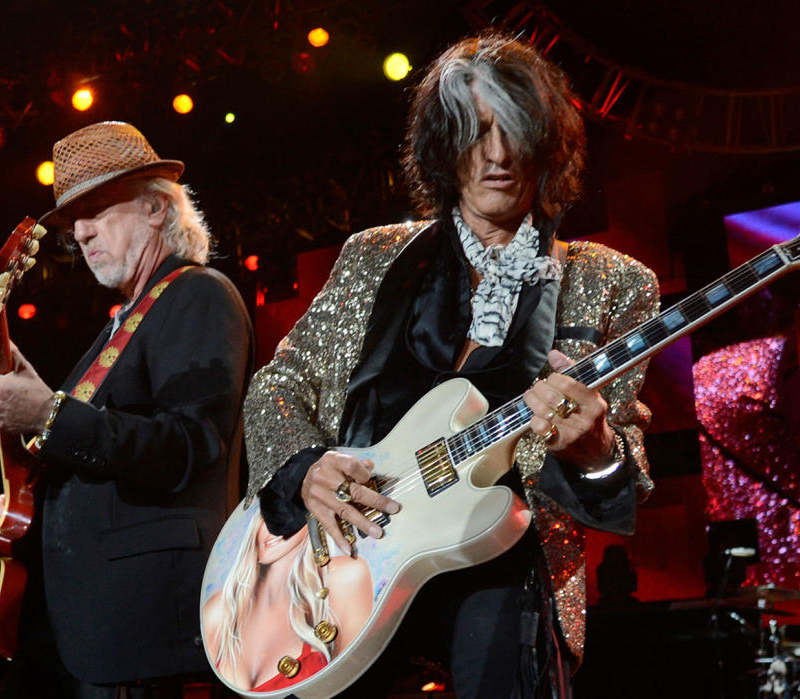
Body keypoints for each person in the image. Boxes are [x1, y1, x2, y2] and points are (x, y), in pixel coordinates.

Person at [241, 33, 659, 696]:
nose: (496, 154)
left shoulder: (608, 282)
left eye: (514, 130)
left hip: (504, 585)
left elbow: (623, 474)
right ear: (442, 145)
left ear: (546, 142)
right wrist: (306, 467)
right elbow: (278, 385)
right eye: (475, 130)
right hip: (351, 572)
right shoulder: (375, 259)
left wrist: (597, 449)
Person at [0, 121, 253, 697]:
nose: (82, 232)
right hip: (84, 631)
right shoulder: (124, 323)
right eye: (75, 223)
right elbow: (101, 454)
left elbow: (188, 446)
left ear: (153, 208)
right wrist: (30, 504)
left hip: (142, 631)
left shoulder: (199, 293)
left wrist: (47, 414)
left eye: (97, 209)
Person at [200, 510, 371, 691]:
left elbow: (356, 680)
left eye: (295, 514)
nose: (276, 529)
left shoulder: (341, 577)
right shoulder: (221, 609)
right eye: (273, 513)